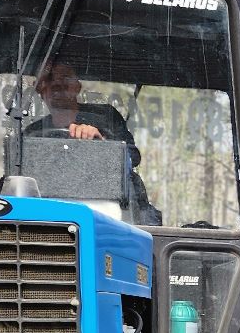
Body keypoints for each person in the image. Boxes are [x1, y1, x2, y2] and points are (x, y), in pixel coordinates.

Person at [23, 59, 161, 224]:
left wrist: (103, 144)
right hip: (49, 217)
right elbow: (20, 179)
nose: (57, 84)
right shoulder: (32, 134)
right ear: (39, 88)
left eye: (65, 77)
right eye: (49, 78)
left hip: (110, 214)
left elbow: (132, 157)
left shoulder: (106, 117)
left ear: (77, 86)